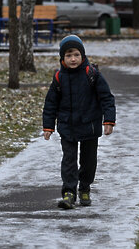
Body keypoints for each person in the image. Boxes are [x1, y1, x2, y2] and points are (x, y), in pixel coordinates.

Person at [43, 35, 116, 209]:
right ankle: (69, 192)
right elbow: (50, 103)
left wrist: (109, 120)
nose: (73, 59)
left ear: (82, 55)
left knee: (88, 160)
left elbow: (106, 97)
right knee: (68, 160)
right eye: (68, 55)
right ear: (62, 58)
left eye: (76, 54)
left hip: (90, 124)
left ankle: (84, 187)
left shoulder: (92, 74)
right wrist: (48, 125)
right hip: (67, 126)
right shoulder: (59, 77)